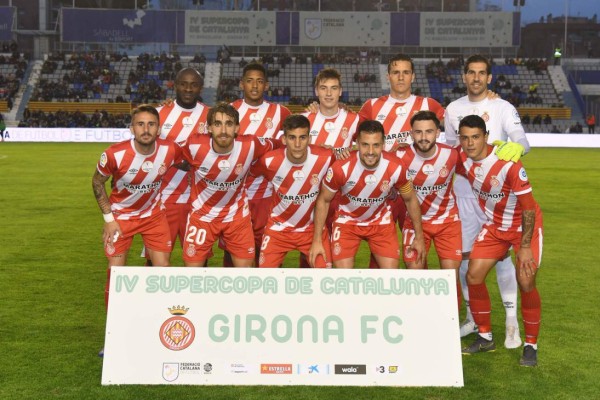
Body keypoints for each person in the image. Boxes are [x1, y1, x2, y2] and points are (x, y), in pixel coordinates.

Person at [445, 54, 530, 349]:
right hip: (465, 197)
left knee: (504, 260)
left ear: (490, 78)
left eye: (482, 73)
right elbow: (448, 150)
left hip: (499, 199)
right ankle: (474, 319)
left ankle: (510, 322)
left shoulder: (501, 106)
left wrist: (517, 146)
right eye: (471, 73)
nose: (477, 78)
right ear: (464, 76)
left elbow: (522, 138)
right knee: (465, 263)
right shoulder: (453, 109)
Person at [92, 105, 181, 355]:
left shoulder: (170, 150)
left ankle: (158, 327)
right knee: (116, 275)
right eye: (140, 124)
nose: (146, 129)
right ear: (132, 128)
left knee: (163, 271)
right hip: (121, 219)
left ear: (158, 128)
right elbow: (97, 182)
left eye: (151, 124)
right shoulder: (115, 154)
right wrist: (109, 219)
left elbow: (195, 161)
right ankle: (113, 335)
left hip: (154, 217)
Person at [457, 115, 543, 367]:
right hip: (495, 226)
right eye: (465, 138)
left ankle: (530, 345)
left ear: (485, 136)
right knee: (473, 274)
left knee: (526, 279)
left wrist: (524, 247)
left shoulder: (509, 164)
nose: (470, 143)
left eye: (475, 137)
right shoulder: (461, 158)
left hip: (524, 226)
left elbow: (528, 209)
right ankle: (485, 336)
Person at [359, 54, 444, 269]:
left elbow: (457, 127)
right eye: (396, 72)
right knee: (379, 251)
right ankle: (379, 299)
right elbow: (354, 138)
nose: (400, 77)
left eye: (406, 72)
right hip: (383, 190)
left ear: (413, 76)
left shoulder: (429, 104)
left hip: (415, 191)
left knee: (416, 251)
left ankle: (418, 298)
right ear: (388, 76)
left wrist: (489, 99)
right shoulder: (371, 107)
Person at [309, 120, 425, 269]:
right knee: (344, 280)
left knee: (390, 278)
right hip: (347, 222)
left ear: (383, 144)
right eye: (365, 145)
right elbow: (323, 201)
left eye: (376, 145)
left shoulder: (396, 166)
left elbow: (410, 200)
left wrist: (419, 237)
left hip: (380, 223)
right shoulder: (341, 167)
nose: (370, 151)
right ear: (357, 143)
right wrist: (317, 240)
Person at [181, 103, 281, 267]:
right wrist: (189, 169)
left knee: (245, 275)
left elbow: (278, 145)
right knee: (193, 276)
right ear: (210, 128)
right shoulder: (194, 145)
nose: (223, 130)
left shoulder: (250, 145)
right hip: (201, 217)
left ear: (237, 128)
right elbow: (170, 153)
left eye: (229, 124)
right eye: (218, 124)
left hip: (236, 217)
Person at [227, 63, 291, 266]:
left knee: (268, 254)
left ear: (266, 85)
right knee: (233, 255)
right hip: (235, 196)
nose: (254, 86)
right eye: (249, 80)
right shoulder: (229, 111)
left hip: (267, 196)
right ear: (241, 84)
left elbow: (301, 132)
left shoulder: (281, 112)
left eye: (260, 81)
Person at [250, 114, 335, 268]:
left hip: (312, 229)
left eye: (302, 138)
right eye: (292, 138)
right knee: (264, 280)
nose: (297, 144)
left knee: (325, 280)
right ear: (283, 140)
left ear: (309, 139)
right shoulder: (269, 161)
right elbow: (248, 175)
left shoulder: (326, 157)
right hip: (278, 228)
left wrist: (317, 240)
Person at [396, 111, 462, 304]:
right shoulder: (400, 156)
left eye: (429, 132)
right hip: (415, 223)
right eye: (418, 132)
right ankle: (420, 321)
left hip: (448, 222)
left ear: (438, 132)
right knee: (415, 277)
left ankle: (450, 327)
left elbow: (480, 162)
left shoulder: (452, 154)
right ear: (410, 134)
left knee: (451, 278)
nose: (424, 137)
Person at [153, 67, 210, 257]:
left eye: (193, 85)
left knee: (198, 259)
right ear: (175, 85)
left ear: (200, 88)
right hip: (163, 198)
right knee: (156, 260)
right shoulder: (159, 114)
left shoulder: (211, 116)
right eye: (183, 84)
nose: (188, 89)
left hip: (198, 200)